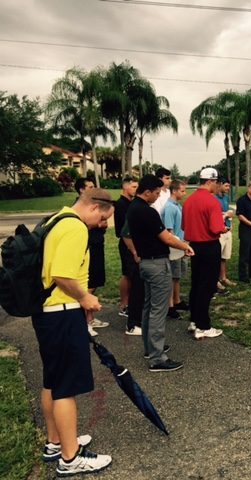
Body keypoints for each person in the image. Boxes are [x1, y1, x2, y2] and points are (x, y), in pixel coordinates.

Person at [34, 188, 114, 476]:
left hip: (47, 312)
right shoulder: (75, 228)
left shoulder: (56, 218)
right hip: (62, 313)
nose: (101, 225)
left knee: (53, 381)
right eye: (103, 219)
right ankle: (70, 458)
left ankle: (56, 442)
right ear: (94, 208)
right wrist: (86, 297)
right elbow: (63, 274)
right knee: (66, 386)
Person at [127, 174, 194, 371]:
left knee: (149, 307)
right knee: (158, 310)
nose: (158, 196)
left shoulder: (134, 208)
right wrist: (185, 247)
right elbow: (166, 237)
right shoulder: (147, 212)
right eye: (156, 193)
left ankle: (151, 348)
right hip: (156, 265)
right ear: (146, 192)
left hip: (146, 263)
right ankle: (157, 358)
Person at [182, 167, 227, 339]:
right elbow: (215, 228)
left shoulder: (188, 200)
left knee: (196, 284)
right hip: (209, 245)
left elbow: (184, 226)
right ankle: (203, 325)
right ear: (210, 181)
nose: (218, 186)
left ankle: (194, 320)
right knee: (207, 286)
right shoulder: (212, 201)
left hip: (194, 246)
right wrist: (223, 228)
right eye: (217, 182)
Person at [74, 177, 108, 336]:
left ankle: (90, 318)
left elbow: (104, 224)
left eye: (94, 186)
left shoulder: (93, 207)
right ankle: (84, 322)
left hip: (97, 243)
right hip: (89, 246)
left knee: (95, 280)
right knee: (88, 283)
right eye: (90, 187)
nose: (93, 189)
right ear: (81, 190)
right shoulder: (81, 208)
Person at [162, 180, 189, 319]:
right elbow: (169, 231)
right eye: (182, 191)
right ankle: (170, 305)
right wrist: (178, 245)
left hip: (180, 245)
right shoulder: (170, 207)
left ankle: (177, 300)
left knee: (177, 276)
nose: (184, 193)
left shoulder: (177, 205)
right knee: (172, 277)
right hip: (174, 248)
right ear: (174, 191)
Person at [114, 176, 138, 318]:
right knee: (127, 274)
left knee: (132, 274)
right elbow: (123, 230)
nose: (136, 190)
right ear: (125, 187)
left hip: (134, 242)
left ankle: (130, 302)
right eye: (134, 187)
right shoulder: (121, 204)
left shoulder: (131, 203)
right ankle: (124, 304)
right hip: (126, 243)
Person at [215, 176, 236, 289]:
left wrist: (230, 223)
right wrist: (226, 215)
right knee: (216, 257)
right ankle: (215, 280)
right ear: (220, 184)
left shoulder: (226, 198)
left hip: (227, 230)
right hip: (218, 231)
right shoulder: (214, 198)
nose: (228, 188)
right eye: (226, 185)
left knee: (224, 256)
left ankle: (223, 277)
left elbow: (228, 212)